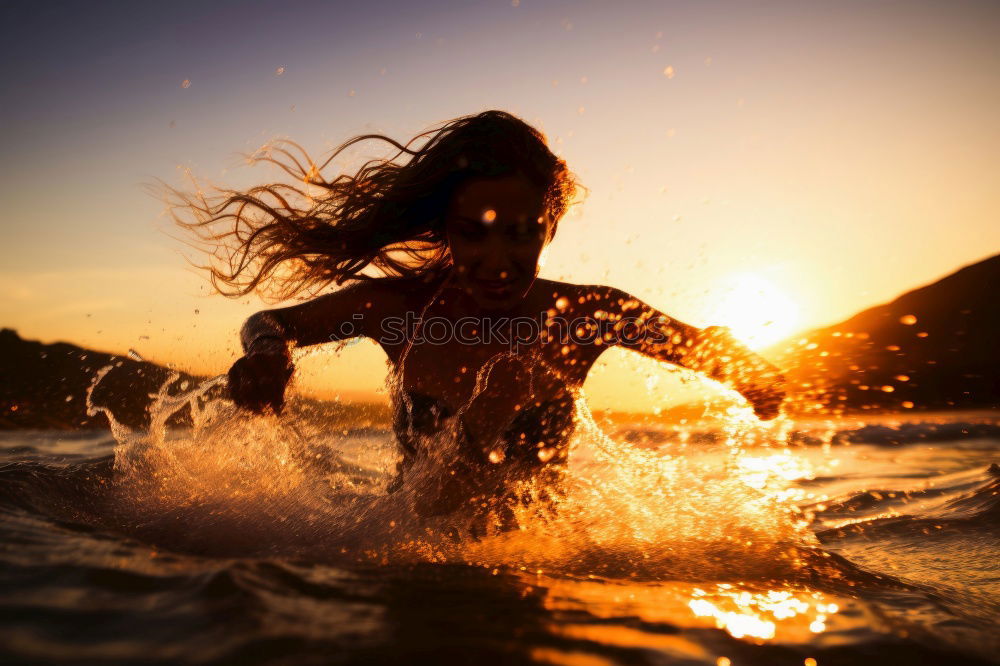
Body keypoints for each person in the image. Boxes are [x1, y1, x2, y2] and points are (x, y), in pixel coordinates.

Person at [172, 110, 786, 519]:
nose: (498, 262)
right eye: (474, 235)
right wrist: (266, 356)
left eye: (521, 236)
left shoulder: (584, 313)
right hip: (408, 553)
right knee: (434, 504)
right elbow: (270, 321)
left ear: (548, 227)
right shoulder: (401, 311)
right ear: (446, 229)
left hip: (533, 562)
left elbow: (702, 347)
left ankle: (480, 429)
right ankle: (473, 432)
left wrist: (749, 373)